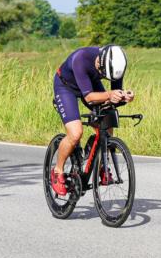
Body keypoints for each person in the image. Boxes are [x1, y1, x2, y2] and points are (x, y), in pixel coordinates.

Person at [51, 44, 133, 195]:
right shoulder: (81, 58)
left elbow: (114, 95)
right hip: (66, 87)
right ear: (99, 63)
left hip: (89, 82)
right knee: (75, 133)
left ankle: (101, 162)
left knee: (108, 118)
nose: (106, 78)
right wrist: (110, 94)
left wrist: (123, 96)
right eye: (104, 74)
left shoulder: (116, 64)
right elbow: (89, 98)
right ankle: (57, 170)